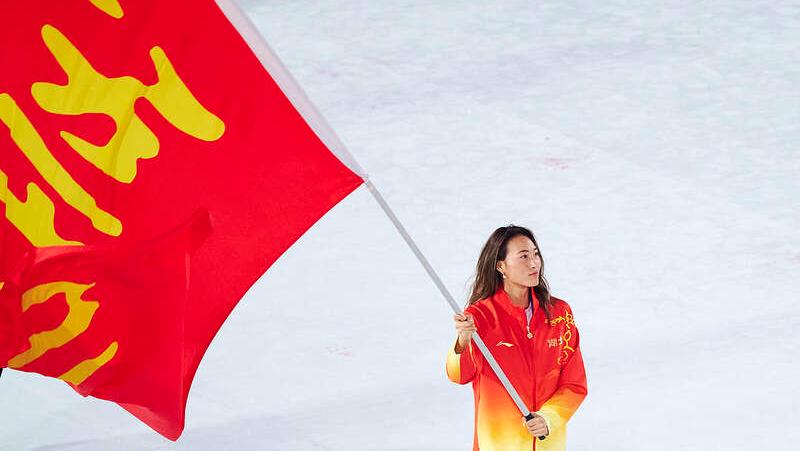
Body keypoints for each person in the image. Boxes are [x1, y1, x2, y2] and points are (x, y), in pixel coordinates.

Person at [446, 225, 587, 450]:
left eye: (535, 254)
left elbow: (574, 383)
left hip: (547, 443)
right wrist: (463, 340)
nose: (534, 263)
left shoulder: (559, 314)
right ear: (500, 266)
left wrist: (548, 418)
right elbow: (459, 375)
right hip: (499, 442)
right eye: (523, 256)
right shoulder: (480, 316)